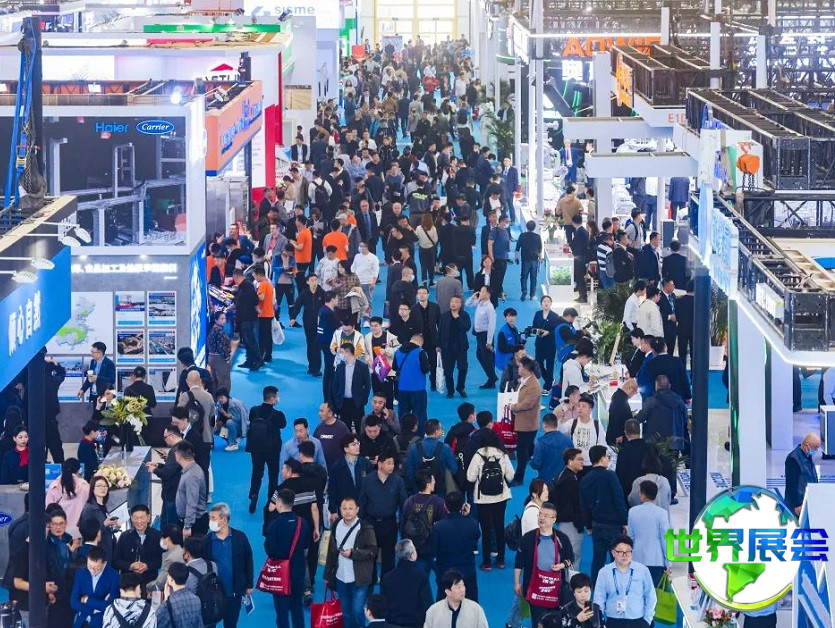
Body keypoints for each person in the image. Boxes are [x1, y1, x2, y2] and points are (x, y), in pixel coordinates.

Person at [514, 501, 575, 626]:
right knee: (538, 623)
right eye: (540, 514)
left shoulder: (562, 538)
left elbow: (570, 559)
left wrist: (562, 565)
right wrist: (516, 583)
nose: (542, 518)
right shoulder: (528, 538)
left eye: (546, 515)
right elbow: (519, 562)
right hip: (535, 589)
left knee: (555, 623)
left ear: (554, 519)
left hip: (556, 590)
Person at [324, 497, 378, 628]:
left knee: (357, 612)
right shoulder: (336, 525)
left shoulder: (365, 528)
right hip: (341, 577)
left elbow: (372, 551)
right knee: (346, 613)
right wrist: (327, 574)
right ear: (340, 510)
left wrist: (353, 554)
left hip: (359, 578)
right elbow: (331, 552)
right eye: (344, 508)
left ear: (357, 510)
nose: (347, 511)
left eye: (350, 508)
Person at [466, 428, 515, 571]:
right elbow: (510, 475)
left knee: (486, 529)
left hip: (483, 499)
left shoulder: (478, 455)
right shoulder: (503, 455)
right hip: (501, 497)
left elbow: (470, 477)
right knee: (499, 527)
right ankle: (501, 560)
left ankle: (486, 562)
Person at [579, 446, 628, 585]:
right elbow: (619, 499)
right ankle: (616, 585)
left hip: (597, 525)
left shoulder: (585, 479)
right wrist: (624, 521)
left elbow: (584, 506)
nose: (608, 459)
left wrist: (588, 525)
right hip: (613, 526)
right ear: (601, 458)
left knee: (598, 559)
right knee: (617, 558)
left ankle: (596, 586)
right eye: (607, 456)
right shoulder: (610, 476)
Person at [506, 479, 551, 628]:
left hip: (534, 559)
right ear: (535, 494)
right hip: (533, 561)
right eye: (545, 490)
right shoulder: (533, 512)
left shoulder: (537, 509)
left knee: (525, 594)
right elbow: (537, 538)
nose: (547, 492)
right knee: (524, 593)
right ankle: (512, 623)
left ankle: (513, 623)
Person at [203, 503, 254, 627]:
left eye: (213, 518)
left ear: (224, 520)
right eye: (209, 518)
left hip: (234, 594)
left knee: (231, 624)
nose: (210, 521)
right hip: (213, 594)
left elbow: (248, 561)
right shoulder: (207, 540)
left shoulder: (240, 537)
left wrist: (249, 585)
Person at [265, 488, 311, 628]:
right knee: (297, 607)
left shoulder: (274, 525)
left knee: (281, 611)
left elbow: (269, 550)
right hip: (298, 570)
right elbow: (306, 544)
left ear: (279, 503)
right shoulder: (302, 523)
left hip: (280, 573)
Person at [358, 452, 407, 580]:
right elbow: (362, 503)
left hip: (389, 524)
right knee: (370, 556)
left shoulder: (398, 481)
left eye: (393, 463)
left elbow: (403, 503)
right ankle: (370, 583)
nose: (392, 466)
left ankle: (387, 584)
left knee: (389, 557)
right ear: (380, 464)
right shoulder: (368, 480)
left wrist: (403, 523)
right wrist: (360, 524)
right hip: (370, 523)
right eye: (388, 463)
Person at [592, 535, 656, 628]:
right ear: (613, 553)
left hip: (637, 621)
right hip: (613, 621)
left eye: (628, 551)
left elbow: (651, 596)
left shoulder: (642, 570)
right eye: (620, 552)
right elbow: (599, 598)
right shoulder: (604, 572)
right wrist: (599, 623)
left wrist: (647, 620)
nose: (625, 555)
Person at [247, 385, 287, 514]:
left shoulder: (254, 411)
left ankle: (254, 494)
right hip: (272, 450)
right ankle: (271, 498)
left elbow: (250, 420)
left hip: (256, 448)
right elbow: (283, 425)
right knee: (273, 474)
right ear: (273, 398)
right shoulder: (278, 415)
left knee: (256, 472)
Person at [380, 539, 433, 627]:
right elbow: (426, 603)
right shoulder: (421, 576)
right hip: (416, 623)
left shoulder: (387, 577)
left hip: (393, 623)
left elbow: (384, 604)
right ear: (412, 555)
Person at [627, 480, 671, 585]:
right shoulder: (662, 513)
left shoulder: (632, 512)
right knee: (654, 591)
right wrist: (668, 562)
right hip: (656, 559)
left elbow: (630, 537)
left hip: (637, 558)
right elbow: (665, 539)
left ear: (642, 495)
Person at [112, 505, 163, 589]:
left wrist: (147, 566)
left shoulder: (157, 536)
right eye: (136, 518)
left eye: (142, 518)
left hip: (150, 583)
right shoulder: (125, 536)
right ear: (131, 518)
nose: (139, 521)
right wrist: (130, 566)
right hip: (128, 584)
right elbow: (116, 561)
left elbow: (162, 559)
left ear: (148, 518)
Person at [69, 545, 120, 628]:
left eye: (96, 568)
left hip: (101, 622)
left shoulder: (114, 576)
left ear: (104, 564)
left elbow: (111, 606)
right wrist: (93, 609)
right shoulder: (81, 573)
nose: (92, 570)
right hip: (82, 621)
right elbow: (73, 602)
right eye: (89, 566)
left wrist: (87, 600)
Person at [511, 356, 544, 485]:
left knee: (521, 451)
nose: (518, 368)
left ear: (525, 369)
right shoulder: (524, 381)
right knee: (527, 448)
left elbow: (528, 404)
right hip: (523, 421)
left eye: (520, 366)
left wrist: (513, 407)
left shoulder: (534, 385)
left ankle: (518, 478)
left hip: (528, 424)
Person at [328, 434, 373, 525]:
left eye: (358, 443)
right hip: (345, 509)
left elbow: (371, 485)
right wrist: (333, 511)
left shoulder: (365, 463)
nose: (357, 446)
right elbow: (332, 490)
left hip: (364, 508)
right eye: (353, 444)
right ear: (346, 449)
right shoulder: (336, 467)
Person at [331, 342, 372, 433]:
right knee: (345, 429)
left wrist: (363, 400)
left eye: (341, 352)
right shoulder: (340, 366)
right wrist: (337, 400)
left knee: (360, 427)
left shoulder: (362, 367)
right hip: (344, 402)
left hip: (357, 402)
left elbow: (368, 385)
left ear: (348, 352)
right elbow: (335, 385)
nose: (340, 355)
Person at [424, 570, 488, 628]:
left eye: (463, 586)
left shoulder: (476, 609)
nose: (462, 590)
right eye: (458, 587)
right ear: (448, 592)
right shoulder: (433, 611)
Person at [290, 273, 326, 375]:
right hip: (307, 322)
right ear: (307, 282)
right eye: (312, 280)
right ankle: (311, 366)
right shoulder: (304, 293)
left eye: (315, 280)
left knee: (317, 345)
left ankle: (316, 369)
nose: (314, 282)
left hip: (320, 323)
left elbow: (327, 307)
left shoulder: (322, 293)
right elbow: (297, 306)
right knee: (310, 344)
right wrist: (293, 317)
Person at [393, 333, 430, 431]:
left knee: (403, 415)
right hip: (418, 389)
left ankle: (403, 434)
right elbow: (425, 369)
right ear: (420, 342)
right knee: (419, 415)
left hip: (402, 388)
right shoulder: (420, 352)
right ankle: (419, 436)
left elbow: (394, 367)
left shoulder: (398, 351)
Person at [79, 475, 120, 561]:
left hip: (107, 546)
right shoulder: (89, 508)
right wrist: (104, 525)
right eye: (99, 486)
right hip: (96, 551)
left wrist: (114, 526)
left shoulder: (104, 506)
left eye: (105, 486)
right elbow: (86, 531)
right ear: (92, 489)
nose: (103, 489)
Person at [438, 295, 471, 398]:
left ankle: (460, 387)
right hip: (447, 347)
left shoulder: (464, 315)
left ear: (460, 304)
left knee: (463, 368)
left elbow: (466, 327)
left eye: (456, 302)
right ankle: (450, 390)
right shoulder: (444, 316)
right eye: (452, 301)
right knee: (448, 370)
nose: (453, 304)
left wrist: (457, 318)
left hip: (461, 347)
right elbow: (440, 331)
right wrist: (438, 345)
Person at [559, 395, 606, 468]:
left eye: (584, 406)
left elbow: (602, 444)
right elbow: (560, 431)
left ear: (590, 409)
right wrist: (562, 419)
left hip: (591, 463)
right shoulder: (572, 423)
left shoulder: (597, 425)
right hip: (575, 463)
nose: (580, 408)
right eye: (579, 406)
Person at [232, 268, 264, 371]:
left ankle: (259, 360)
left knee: (250, 340)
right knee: (246, 341)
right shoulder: (243, 287)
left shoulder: (247, 286)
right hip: (244, 318)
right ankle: (249, 360)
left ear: (236, 276)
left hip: (248, 318)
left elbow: (255, 300)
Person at [175, 441, 208, 537]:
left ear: (179, 455)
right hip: (192, 520)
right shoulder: (192, 469)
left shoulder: (191, 476)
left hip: (194, 524)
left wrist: (187, 526)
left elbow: (192, 502)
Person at [641, 337, 691, 402]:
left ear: (652, 349)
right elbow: (684, 380)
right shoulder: (677, 361)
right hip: (677, 400)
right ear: (665, 347)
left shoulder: (649, 364)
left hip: (657, 401)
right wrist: (688, 396)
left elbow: (645, 384)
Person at [467, 286, 498, 388]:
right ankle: (492, 376)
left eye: (483, 291)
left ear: (488, 294)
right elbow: (468, 304)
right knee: (480, 355)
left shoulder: (489, 308)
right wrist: (473, 297)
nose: (480, 292)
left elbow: (492, 325)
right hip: (479, 335)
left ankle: (492, 378)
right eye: (480, 291)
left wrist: (489, 341)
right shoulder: (479, 302)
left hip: (485, 335)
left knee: (487, 358)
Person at [46, 457, 90, 528]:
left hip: (59, 528)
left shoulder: (54, 486)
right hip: (80, 529)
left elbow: (49, 508)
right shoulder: (85, 486)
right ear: (78, 470)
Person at [155, 562, 202, 628]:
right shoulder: (196, 599)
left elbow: (155, 622)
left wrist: (166, 599)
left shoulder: (168, 604)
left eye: (168, 575)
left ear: (171, 579)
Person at [784, 432, 822, 515]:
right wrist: (796, 505)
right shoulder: (793, 459)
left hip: (807, 500)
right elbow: (791, 484)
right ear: (806, 446)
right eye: (815, 448)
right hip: (797, 506)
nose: (816, 451)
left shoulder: (807, 456)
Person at [531, 413, 574, 484]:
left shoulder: (541, 443)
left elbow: (536, 464)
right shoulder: (568, 440)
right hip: (564, 480)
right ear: (556, 424)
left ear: (544, 425)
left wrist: (531, 461)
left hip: (546, 480)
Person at [616, 420, 652, 497]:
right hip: (648, 493)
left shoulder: (623, 451)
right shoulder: (650, 448)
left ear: (625, 432)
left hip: (629, 493)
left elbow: (620, 475)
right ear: (640, 431)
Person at [532, 295, 560, 390]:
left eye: (548, 301)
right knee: (538, 364)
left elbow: (556, 331)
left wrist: (548, 332)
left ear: (551, 303)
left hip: (550, 344)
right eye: (544, 301)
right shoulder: (538, 314)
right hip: (539, 343)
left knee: (549, 365)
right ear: (541, 303)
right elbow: (534, 326)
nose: (546, 303)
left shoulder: (555, 316)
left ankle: (548, 386)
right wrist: (537, 331)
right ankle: (549, 379)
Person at [313, 401, 351, 468]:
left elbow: (349, 445)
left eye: (322, 411)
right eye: (319, 411)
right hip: (322, 467)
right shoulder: (319, 428)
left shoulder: (342, 427)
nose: (319, 414)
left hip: (339, 468)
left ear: (330, 413)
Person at [149, 525, 185, 594]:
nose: (161, 540)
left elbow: (160, 583)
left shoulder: (170, 558)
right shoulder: (181, 551)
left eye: (162, 538)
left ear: (168, 538)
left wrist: (148, 587)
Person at [606, 378, 639, 446]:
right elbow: (615, 416)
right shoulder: (619, 399)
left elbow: (621, 413)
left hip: (619, 434)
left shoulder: (620, 396)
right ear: (630, 388)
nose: (633, 395)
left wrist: (630, 413)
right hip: (618, 437)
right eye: (634, 392)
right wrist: (618, 434)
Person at [515, 220, 542, 300]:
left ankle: (524, 292)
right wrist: (540, 258)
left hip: (525, 259)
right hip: (534, 260)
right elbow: (540, 249)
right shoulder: (537, 237)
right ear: (534, 227)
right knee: (533, 277)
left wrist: (516, 257)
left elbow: (517, 247)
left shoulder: (522, 235)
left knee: (524, 277)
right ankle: (532, 294)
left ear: (526, 226)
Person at [495, 307, 522, 373]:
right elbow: (502, 349)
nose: (511, 318)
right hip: (505, 361)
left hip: (512, 359)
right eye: (509, 316)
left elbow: (515, 339)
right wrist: (515, 348)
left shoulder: (514, 328)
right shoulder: (503, 332)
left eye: (513, 316)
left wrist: (521, 342)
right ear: (505, 318)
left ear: (516, 317)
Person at [569, 214, 589, 303]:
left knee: (580, 277)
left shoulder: (581, 232)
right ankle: (581, 295)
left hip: (580, 258)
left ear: (573, 222)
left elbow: (580, 246)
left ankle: (583, 296)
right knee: (578, 277)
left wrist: (574, 254)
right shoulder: (580, 231)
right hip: (579, 257)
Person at [658, 277, 678, 355]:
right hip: (665, 328)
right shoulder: (659, 297)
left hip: (673, 328)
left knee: (671, 349)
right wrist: (669, 317)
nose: (674, 286)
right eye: (672, 285)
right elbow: (658, 314)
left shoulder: (673, 296)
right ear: (667, 285)